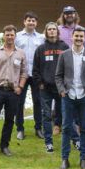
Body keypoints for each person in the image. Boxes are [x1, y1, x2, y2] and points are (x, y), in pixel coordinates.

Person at [55, 26, 85, 169]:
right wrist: (62, 91)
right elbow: (58, 76)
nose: (79, 39)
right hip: (68, 96)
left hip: (84, 96)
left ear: (84, 38)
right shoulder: (64, 54)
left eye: (82, 36)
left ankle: (83, 158)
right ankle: (64, 159)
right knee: (67, 127)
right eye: (77, 36)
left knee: (84, 128)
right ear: (72, 37)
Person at [0, 25, 28, 158]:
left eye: (12, 35)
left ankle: (5, 146)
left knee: (9, 120)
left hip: (13, 92)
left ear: (15, 36)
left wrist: (20, 87)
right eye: (7, 35)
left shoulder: (20, 53)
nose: (10, 37)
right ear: (3, 36)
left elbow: (24, 72)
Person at [32, 22, 69, 153]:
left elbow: (69, 66)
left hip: (61, 88)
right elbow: (35, 69)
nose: (52, 31)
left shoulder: (64, 46)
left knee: (63, 114)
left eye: (54, 29)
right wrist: (40, 83)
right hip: (45, 88)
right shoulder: (41, 49)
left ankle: (67, 140)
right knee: (46, 115)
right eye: (49, 29)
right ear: (46, 32)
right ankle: (48, 142)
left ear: (57, 32)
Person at [14, 12, 44, 140]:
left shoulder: (41, 37)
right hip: (21, 74)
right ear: (24, 22)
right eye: (29, 20)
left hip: (37, 74)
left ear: (36, 23)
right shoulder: (17, 36)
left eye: (33, 21)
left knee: (38, 102)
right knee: (19, 102)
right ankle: (20, 129)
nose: (31, 22)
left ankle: (38, 128)